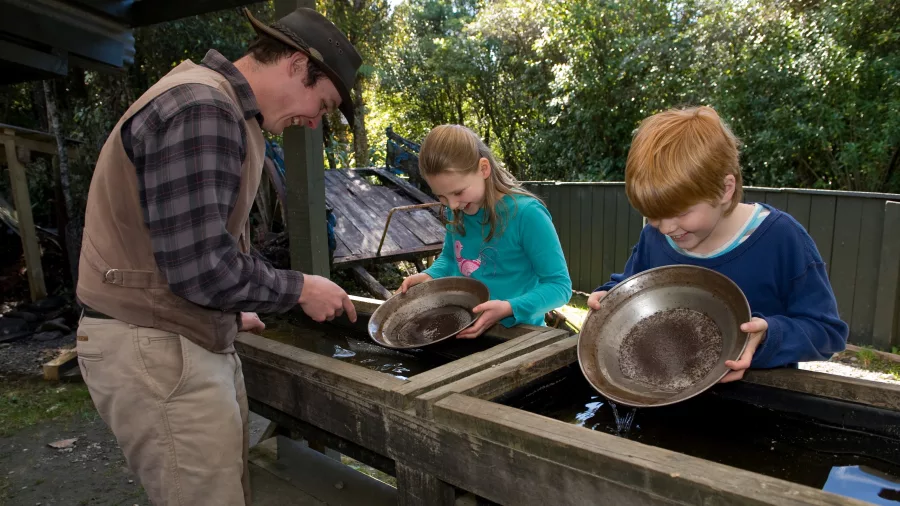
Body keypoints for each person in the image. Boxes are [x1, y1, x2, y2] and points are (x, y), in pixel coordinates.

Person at [74, 8, 361, 505]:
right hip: (156, 347)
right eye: (323, 104)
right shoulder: (202, 108)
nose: (314, 123)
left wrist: (233, 304)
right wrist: (299, 289)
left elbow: (178, 246)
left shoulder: (214, 101)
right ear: (296, 64)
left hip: (169, 333)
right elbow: (200, 266)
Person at [587, 106, 848, 382]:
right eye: (652, 215)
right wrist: (609, 296)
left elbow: (828, 334)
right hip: (667, 398)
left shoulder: (783, 240)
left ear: (725, 189)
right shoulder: (655, 238)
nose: (665, 228)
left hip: (761, 402)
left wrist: (769, 335)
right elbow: (632, 286)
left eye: (680, 213)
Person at [399, 125, 572, 337]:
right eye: (441, 197)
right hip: (462, 329)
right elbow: (451, 258)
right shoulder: (460, 209)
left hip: (520, 336)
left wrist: (509, 308)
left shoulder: (528, 215)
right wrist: (428, 276)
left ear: (483, 169)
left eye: (458, 192)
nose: (452, 205)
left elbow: (559, 287)